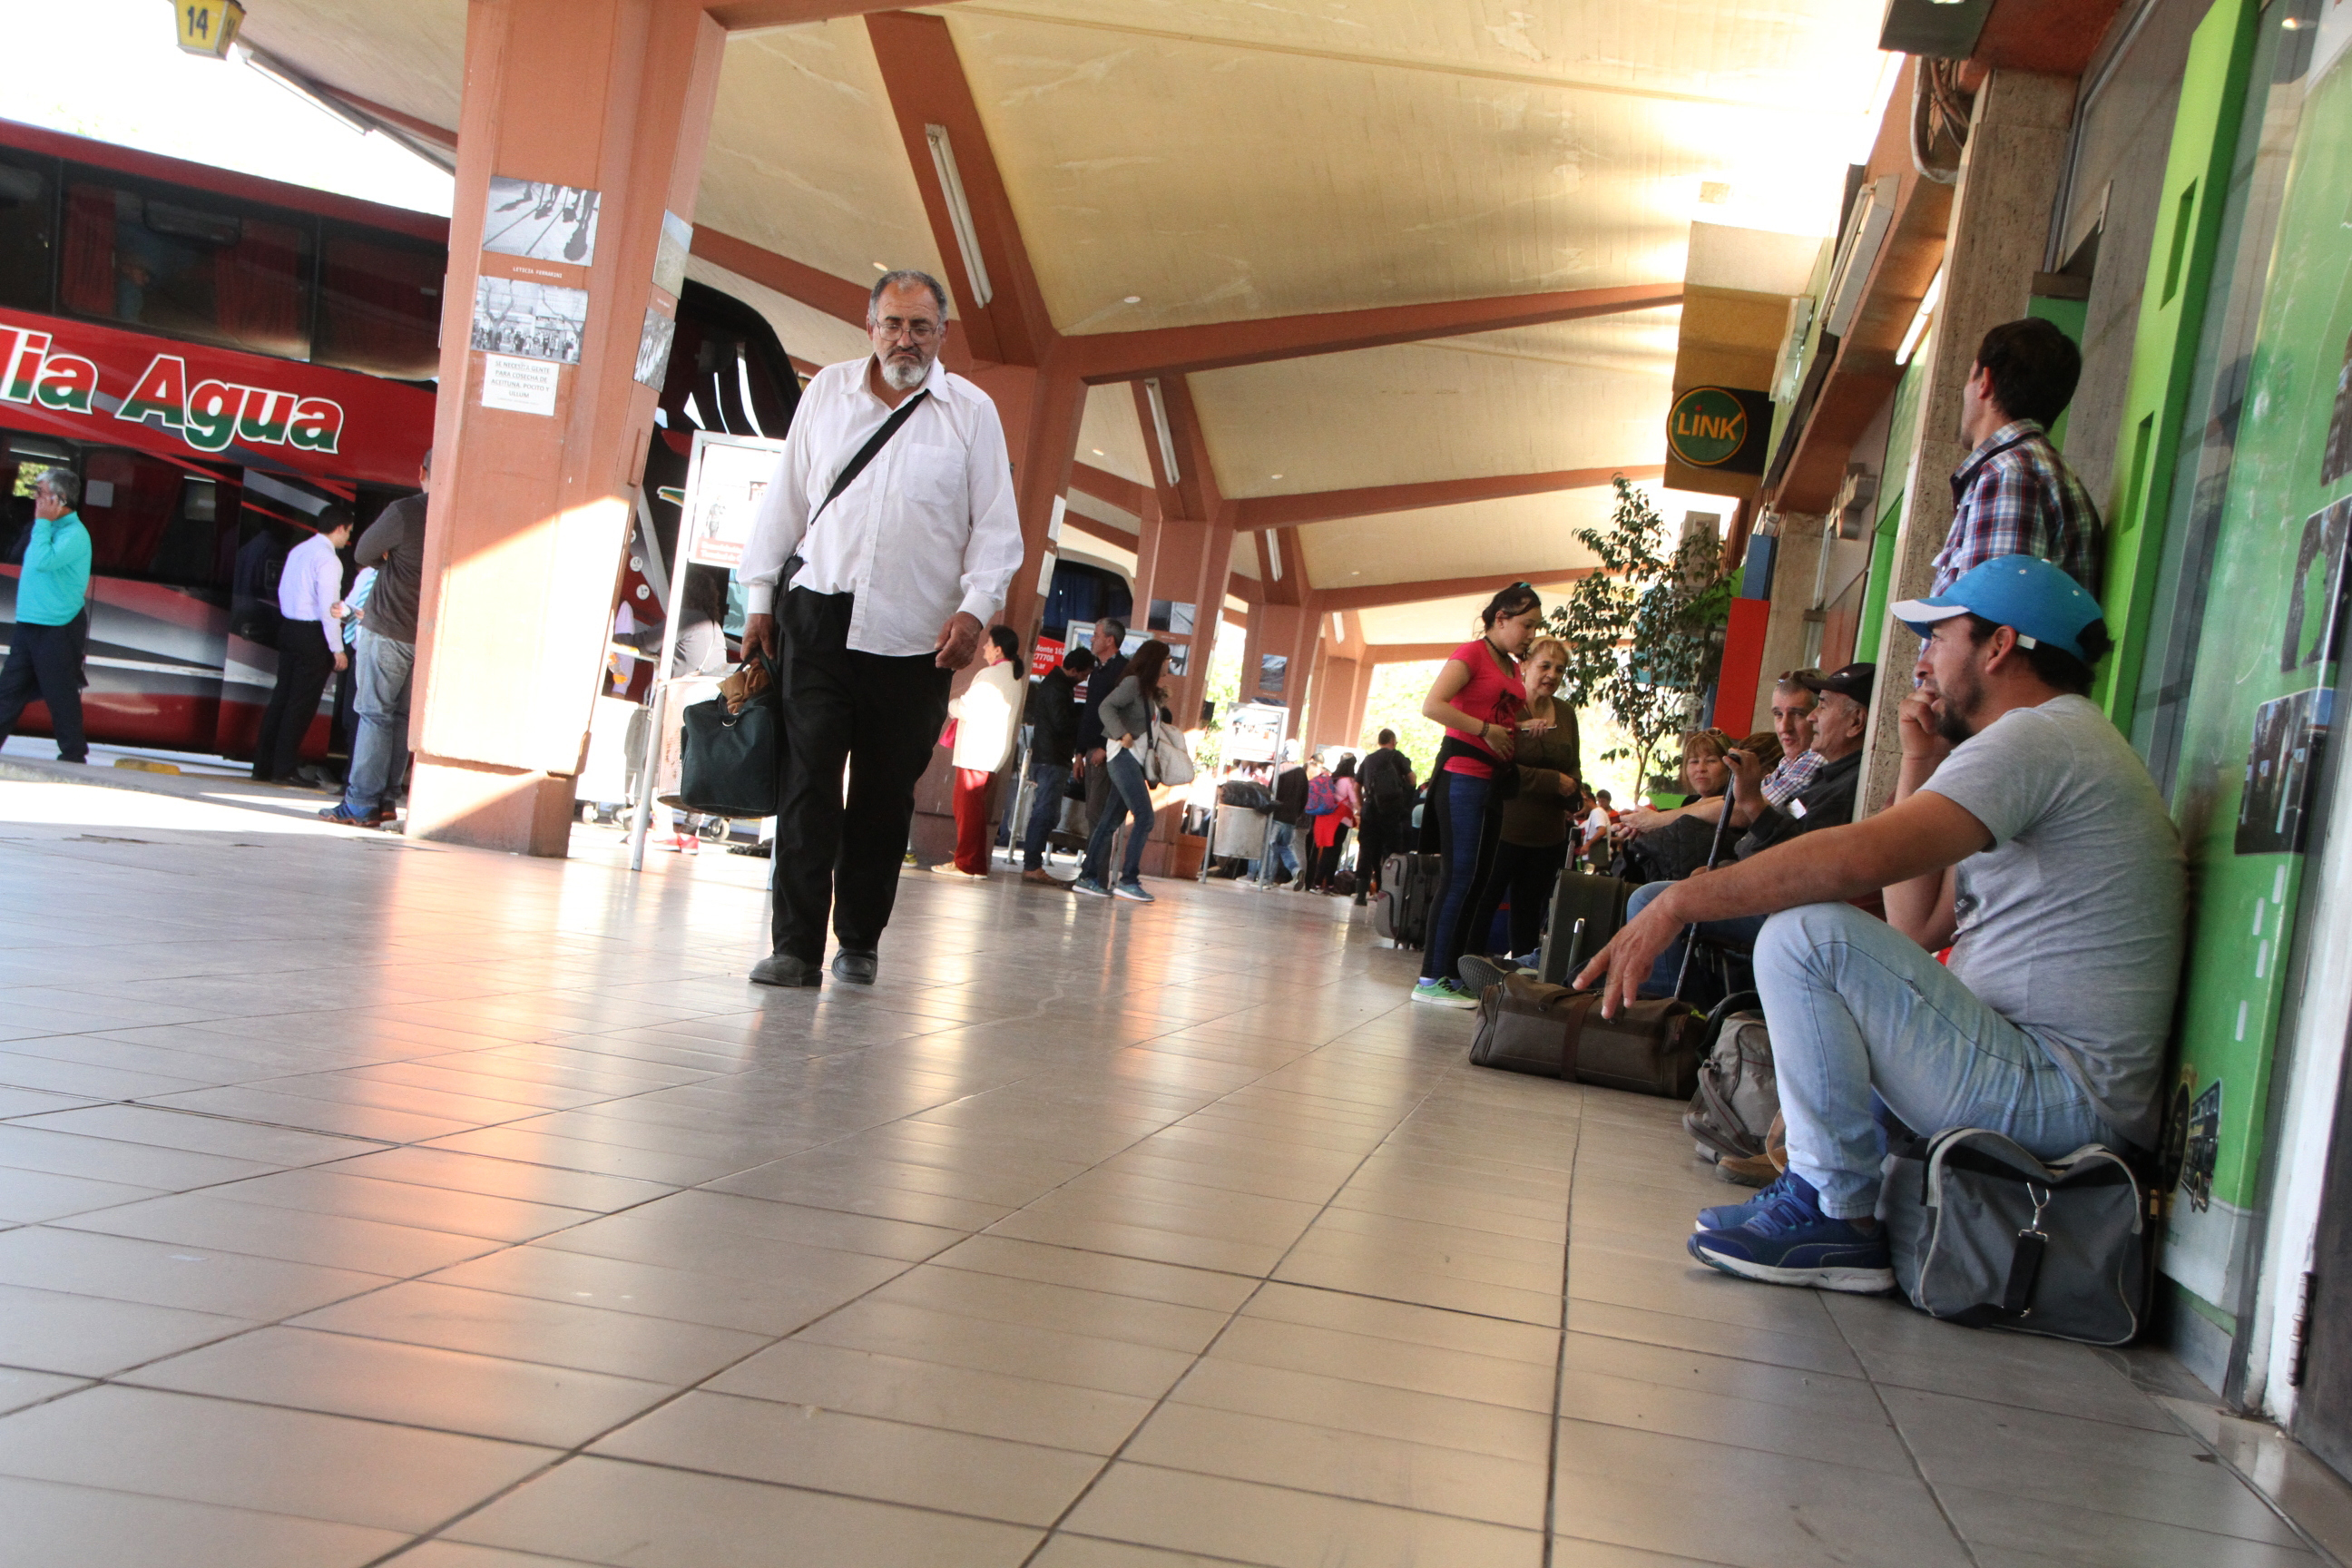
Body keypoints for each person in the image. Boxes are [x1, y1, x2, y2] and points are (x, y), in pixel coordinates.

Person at [1578, 557, 2183, 1294]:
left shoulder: (2037, 741)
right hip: (2047, 1083)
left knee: (1806, 935)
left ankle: (1833, 1213)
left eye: (1939, 637)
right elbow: (1916, 923)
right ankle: (1826, 1191)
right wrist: (1920, 757)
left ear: (1998, 647)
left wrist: (1679, 903)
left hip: (2059, 1094)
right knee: (1815, 936)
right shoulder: (2054, 741)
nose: (1921, 663)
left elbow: (1855, 861)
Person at [737, 270, 1024, 987]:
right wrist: (760, 598)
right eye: (893, 324)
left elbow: (996, 530)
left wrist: (974, 611)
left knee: (883, 795)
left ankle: (859, 940)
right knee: (807, 783)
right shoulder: (827, 394)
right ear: (870, 327)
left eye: (921, 327)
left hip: (918, 637)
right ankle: (794, 947)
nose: (906, 339)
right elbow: (785, 500)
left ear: (942, 335)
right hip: (819, 617)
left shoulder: (971, 414)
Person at [1613, 664, 1874, 1001]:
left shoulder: (1843, 783)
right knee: (1653, 891)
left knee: (1649, 899)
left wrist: (1749, 810)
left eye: (1818, 707)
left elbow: (1802, 862)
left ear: (1856, 722)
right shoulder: (1828, 776)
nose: (1809, 720)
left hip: (1787, 910)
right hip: (1770, 892)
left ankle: (1671, 1012)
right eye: (1779, 714)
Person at [1412, 582, 1544, 1007]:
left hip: (1491, 780)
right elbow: (1433, 705)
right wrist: (1486, 730)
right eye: (1526, 625)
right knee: (1460, 877)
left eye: (1536, 627)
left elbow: (1495, 716)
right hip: (1462, 776)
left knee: (1478, 882)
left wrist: (1519, 727)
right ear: (1500, 619)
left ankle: (1452, 973)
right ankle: (1430, 978)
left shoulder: (1510, 665)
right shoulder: (1471, 654)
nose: (1530, 634)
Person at [1933, 318, 2102, 595]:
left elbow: (1986, 612)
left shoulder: (2008, 474)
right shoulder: (2025, 468)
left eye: (1969, 377)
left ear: (1985, 382)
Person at [1457, 636, 1581, 981]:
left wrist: (1574, 790)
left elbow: (1573, 763)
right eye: (1545, 666)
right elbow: (1498, 766)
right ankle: (1466, 971)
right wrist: (1552, 781)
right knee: (1485, 902)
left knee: (1530, 911)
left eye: (1560, 669)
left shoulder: (1566, 713)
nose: (1552, 674)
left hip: (1548, 834)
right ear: (1524, 666)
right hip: (1504, 826)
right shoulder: (1506, 709)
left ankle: (1522, 983)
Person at [323, 452, 430, 829]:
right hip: (425, 636)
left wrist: (392, 562)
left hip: (386, 629)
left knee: (373, 715)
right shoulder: (460, 513)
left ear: (422, 472)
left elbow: (364, 552)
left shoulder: (406, 511)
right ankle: (386, 801)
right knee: (400, 719)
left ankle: (360, 803)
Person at [252, 509, 352, 786]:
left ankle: (263, 766)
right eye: (348, 531)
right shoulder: (329, 560)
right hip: (312, 636)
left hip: (289, 628)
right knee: (301, 704)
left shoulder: (299, 550)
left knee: (281, 698)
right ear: (340, 528)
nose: (348, 538)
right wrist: (337, 648)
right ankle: (284, 768)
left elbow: (284, 591)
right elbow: (329, 608)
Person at [0, 468, 92, 764]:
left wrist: (41, 523)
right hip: (30, 623)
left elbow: (42, 561)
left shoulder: (74, 534)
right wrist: (40, 524)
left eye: (40, 493)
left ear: (59, 499)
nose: (35, 499)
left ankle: (73, 753)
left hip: (57, 625)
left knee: (59, 692)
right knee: (8, 691)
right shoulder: (43, 528)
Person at [1073, 637, 1171, 903]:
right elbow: (1106, 707)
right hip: (1123, 757)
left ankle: (1087, 877)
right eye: (1167, 659)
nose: (1169, 664)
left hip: (1134, 760)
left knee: (1109, 821)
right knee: (1145, 817)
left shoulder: (1147, 690)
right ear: (1156, 661)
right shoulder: (1133, 684)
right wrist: (1120, 734)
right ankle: (1128, 880)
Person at [937, 625, 1026, 880]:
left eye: (988, 643)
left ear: (998, 649)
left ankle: (966, 863)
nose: (984, 648)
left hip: (976, 750)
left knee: (967, 809)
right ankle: (974, 863)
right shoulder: (1013, 676)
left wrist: (952, 705)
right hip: (990, 752)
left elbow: (968, 708)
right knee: (973, 809)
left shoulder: (991, 674)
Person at [1020, 644, 1093, 886]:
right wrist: (1084, 714)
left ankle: (1033, 863)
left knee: (1048, 813)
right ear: (1074, 670)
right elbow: (1062, 723)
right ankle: (1032, 865)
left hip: (1050, 756)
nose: (1083, 680)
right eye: (1084, 674)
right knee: (1045, 813)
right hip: (1052, 758)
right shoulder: (1057, 688)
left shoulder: (1056, 685)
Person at [1073, 620, 1129, 834]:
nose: (1092, 639)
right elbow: (1090, 712)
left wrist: (1105, 747)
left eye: (1096, 635)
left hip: (1105, 750)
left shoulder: (1122, 670)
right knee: (1090, 812)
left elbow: (1122, 713)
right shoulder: (1097, 671)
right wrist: (1079, 752)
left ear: (1109, 640)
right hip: (1089, 749)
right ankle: (1093, 855)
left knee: (1096, 813)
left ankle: (1097, 857)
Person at [1352, 730, 1417, 903]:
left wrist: (1361, 806)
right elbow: (1412, 779)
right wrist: (1404, 801)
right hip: (1391, 811)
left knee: (1366, 851)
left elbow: (1356, 786)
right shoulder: (1397, 756)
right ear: (1393, 741)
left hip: (1370, 810)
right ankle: (1387, 892)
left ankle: (1361, 895)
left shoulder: (1368, 759)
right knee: (1391, 851)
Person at [1306, 751, 1359, 892]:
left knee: (1329, 850)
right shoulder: (1349, 781)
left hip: (1327, 817)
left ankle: (1324, 883)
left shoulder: (1333, 778)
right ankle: (1322, 883)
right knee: (1334, 852)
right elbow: (1355, 800)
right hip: (1341, 819)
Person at [1260, 747, 1309, 887]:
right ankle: (1296, 870)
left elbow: (1272, 792)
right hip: (1291, 818)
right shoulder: (1302, 772)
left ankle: (1267, 879)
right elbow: (1305, 797)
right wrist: (1297, 813)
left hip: (1277, 815)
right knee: (1285, 847)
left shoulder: (1280, 769)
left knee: (1271, 845)